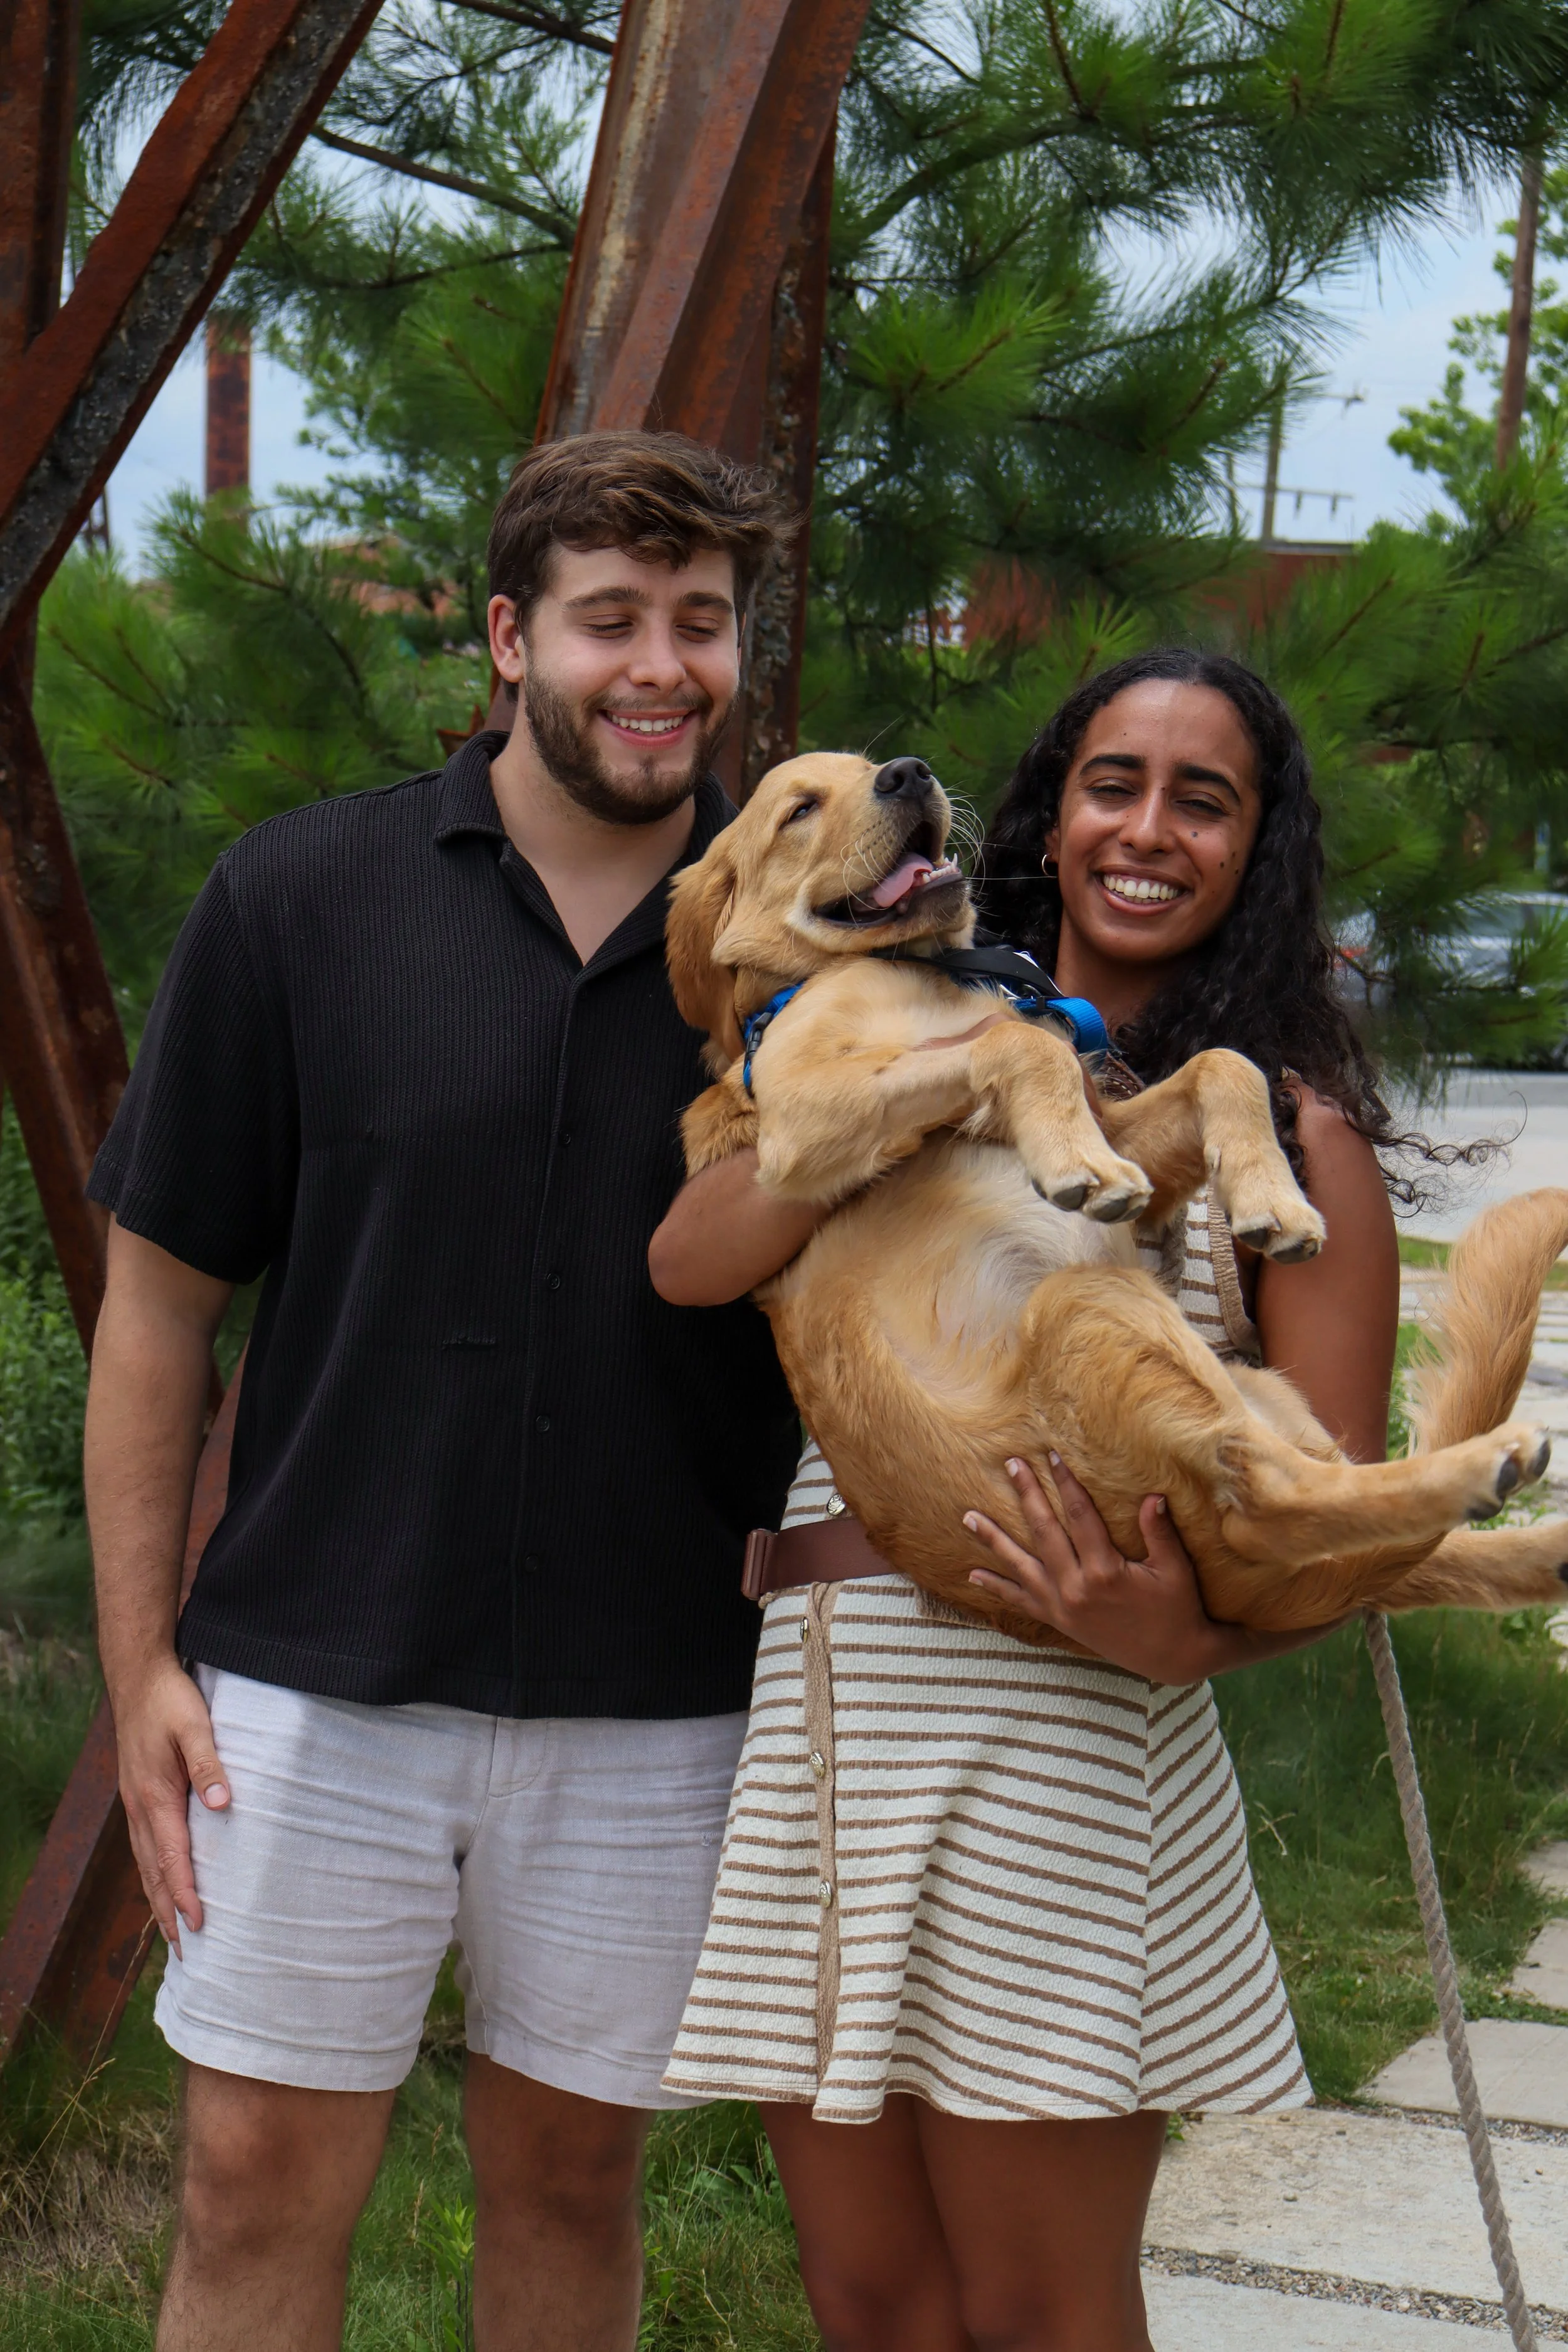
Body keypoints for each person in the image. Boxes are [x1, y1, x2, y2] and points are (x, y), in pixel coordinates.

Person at [83, 431, 802, 2352]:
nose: (661, 666)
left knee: (571, 2182)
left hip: (657, 1694)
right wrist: (139, 1663)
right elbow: (156, 1316)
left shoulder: (807, 952)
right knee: (248, 2187)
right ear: (507, 637)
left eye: (701, 623)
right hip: (315, 1683)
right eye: (609, 619)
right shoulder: (298, 902)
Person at [647, 649, 1404, 2352]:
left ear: (1256, 846)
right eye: (1110, 784)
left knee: (1037, 2307)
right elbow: (690, 1252)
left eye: (1199, 799)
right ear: (1047, 817)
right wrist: (950, 1079)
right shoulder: (877, 1034)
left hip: (1064, 1739)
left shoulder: (1285, 1129)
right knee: (871, 2299)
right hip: (835, 1720)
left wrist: (1184, 1637)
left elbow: (1338, 1508)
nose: (1144, 831)